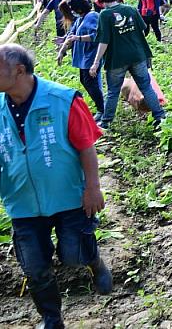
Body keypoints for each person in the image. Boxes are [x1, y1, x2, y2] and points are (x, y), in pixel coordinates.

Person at [0, 44, 112, 329]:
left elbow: (86, 147)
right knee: (35, 268)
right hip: (22, 201)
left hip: (68, 196)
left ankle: (94, 261)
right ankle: (52, 318)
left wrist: (93, 188)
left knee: (73, 255)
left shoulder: (63, 100)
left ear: (19, 71)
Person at [89, 0, 166, 130]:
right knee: (146, 87)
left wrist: (96, 61)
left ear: (100, 0)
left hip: (117, 59)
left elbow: (103, 41)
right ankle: (160, 116)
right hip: (138, 55)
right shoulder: (130, 9)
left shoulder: (105, 15)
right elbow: (143, 29)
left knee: (113, 91)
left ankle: (106, 122)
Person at [57, 0, 105, 119]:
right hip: (83, 57)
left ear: (79, 8)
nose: (71, 11)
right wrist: (62, 47)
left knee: (91, 82)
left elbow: (96, 35)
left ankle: (102, 109)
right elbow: (71, 34)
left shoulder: (92, 16)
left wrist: (78, 38)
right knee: (85, 81)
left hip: (91, 55)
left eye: (73, 9)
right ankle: (101, 106)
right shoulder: (80, 19)